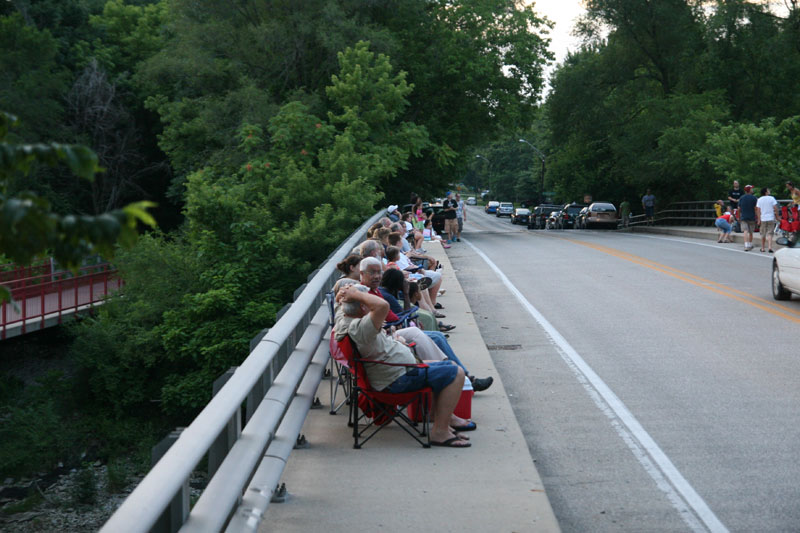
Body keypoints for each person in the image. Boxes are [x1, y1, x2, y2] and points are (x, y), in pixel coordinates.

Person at [335, 283, 473, 447]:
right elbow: (382, 306)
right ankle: (440, 433)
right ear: (363, 307)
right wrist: (357, 294)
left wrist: (346, 296)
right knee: (456, 373)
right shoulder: (361, 327)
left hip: (394, 371)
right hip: (396, 380)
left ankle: (442, 422)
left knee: (446, 365)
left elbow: (353, 307)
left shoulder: (345, 319)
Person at [756, 187, 779, 253]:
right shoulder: (772, 198)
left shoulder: (759, 199)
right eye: (768, 190)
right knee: (770, 233)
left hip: (763, 218)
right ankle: (769, 247)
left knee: (763, 233)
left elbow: (758, 210)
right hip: (771, 218)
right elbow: (775, 208)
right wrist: (777, 216)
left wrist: (759, 219)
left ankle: (763, 248)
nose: (769, 191)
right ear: (766, 192)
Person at [738, 185, 758, 251]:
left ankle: (746, 245)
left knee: (745, 231)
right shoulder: (754, 198)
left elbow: (739, 208)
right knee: (751, 232)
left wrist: (739, 216)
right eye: (752, 188)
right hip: (752, 217)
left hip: (743, 217)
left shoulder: (741, 198)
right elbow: (756, 208)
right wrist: (757, 217)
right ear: (749, 190)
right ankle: (749, 244)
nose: (753, 189)